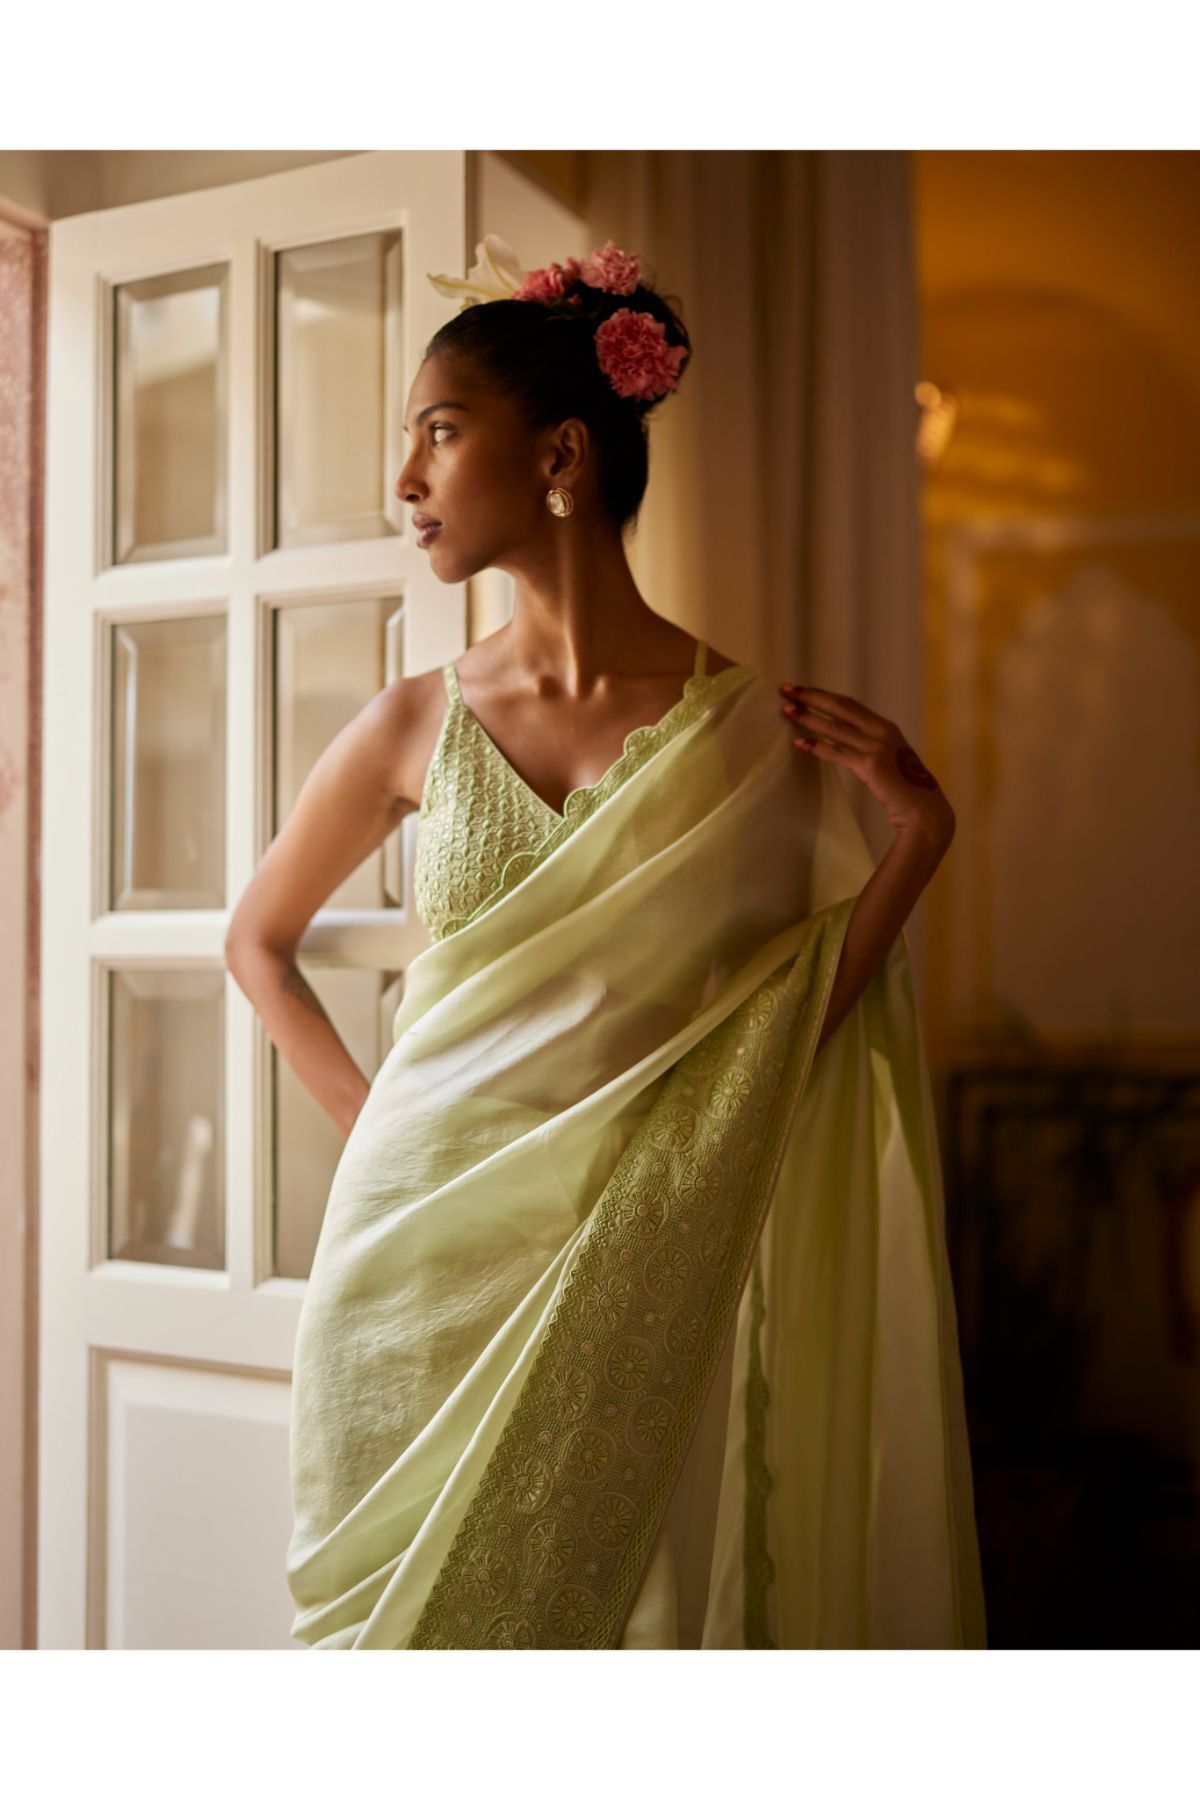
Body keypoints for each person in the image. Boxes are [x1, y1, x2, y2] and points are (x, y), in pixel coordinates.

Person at [226, 236, 986, 1649]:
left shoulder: (753, 743)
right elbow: (256, 944)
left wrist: (922, 843)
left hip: (635, 1267)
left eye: (439, 435)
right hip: (409, 1280)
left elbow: (779, 1044)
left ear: (562, 451)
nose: (405, 482)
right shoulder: (412, 725)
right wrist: (383, 1125)